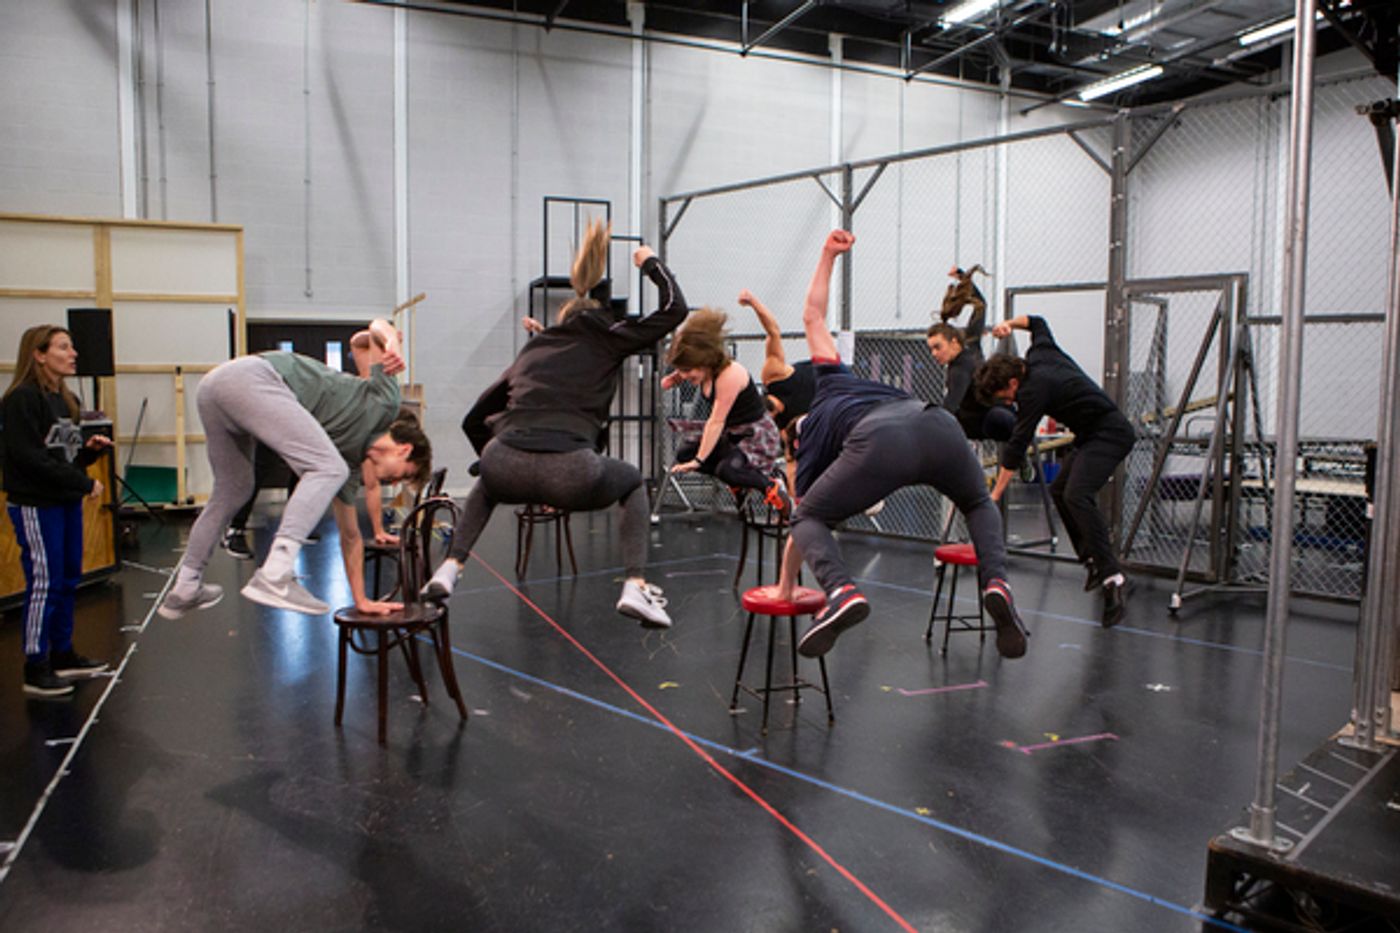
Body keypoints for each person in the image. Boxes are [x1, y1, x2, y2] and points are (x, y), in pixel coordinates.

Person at [421, 222, 689, 628]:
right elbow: (675, 310)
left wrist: (488, 462)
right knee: (633, 480)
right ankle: (635, 584)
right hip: (571, 470)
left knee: (487, 482)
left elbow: (473, 419)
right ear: (599, 318)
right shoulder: (607, 337)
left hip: (505, 460)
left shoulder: (535, 348)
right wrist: (650, 262)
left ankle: (450, 566)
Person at [775, 230, 1028, 661]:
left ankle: (841, 593)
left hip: (881, 441)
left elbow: (805, 525)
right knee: (979, 502)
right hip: (937, 423)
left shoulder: (814, 437)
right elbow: (813, 316)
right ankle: (997, 582)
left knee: (807, 514)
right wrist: (827, 254)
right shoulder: (835, 377)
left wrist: (785, 588)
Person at [157, 319, 431, 620]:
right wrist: (391, 341)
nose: (395, 481)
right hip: (252, 378)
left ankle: (185, 585)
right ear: (405, 449)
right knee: (328, 467)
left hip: (215, 388)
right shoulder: (385, 402)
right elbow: (376, 327)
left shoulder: (349, 467)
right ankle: (275, 574)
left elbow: (350, 537)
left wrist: (362, 600)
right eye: (405, 473)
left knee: (233, 490)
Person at [974, 314, 1136, 627]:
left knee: (1077, 494)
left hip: (1111, 434)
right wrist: (1009, 323)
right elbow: (1037, 322)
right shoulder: (1040, 352)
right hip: (1090, 435)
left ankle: (1113, 577)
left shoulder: (1033, 390)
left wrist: (994, 495)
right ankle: (1091, 560)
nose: (1009, 402)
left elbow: (1018, 443)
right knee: (1060, 491)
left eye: (1006, 397)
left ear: (1013, 383)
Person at [2, 325, 113, 697]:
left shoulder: (62, 401)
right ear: (39, 353)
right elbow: (28, 459)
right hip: (36, 504)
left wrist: (89, 454)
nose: (73, 353)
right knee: (44, 582)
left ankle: (62, 654)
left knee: (68, 578)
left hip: (63, 501)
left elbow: (63, 459)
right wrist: (83, 484)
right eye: (64, 347)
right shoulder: (21, 400)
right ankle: (36, 664)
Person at [663, 308, 788, 514]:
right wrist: (677, 377)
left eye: (688, 371)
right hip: (733, 434)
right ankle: (737, 482)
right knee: (685, 452)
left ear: (705, 361)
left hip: (756, 436)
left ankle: (771, 485)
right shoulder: (704, 371)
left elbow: (716, 421)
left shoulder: (730, 375)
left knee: (726, 469)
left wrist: (699, 461)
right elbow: (689, 370)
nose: (686, 376)